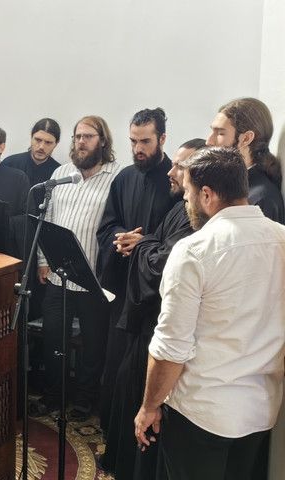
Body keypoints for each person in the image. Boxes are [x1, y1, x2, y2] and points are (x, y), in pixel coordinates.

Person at [134, 147, 285, 480]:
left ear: (207, 194)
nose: (186, 201)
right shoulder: (281, 238)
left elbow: (171, 349)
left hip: (202, 413)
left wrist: (149, 406)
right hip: (260, 410)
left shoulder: (194, 251)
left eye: (188, 193)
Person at [101, 138, 205, 479]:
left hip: (158, 322)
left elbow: (164, 263)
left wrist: (143, 243)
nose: (171, 173)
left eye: (180, 167)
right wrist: (137, 241)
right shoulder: (180, 205)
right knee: (122, 386)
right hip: (143, 319)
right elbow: (157, 246)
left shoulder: (196, 217)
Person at [96, 107, 178, 433]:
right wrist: (120, 239)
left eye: (145, 141)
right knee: (115, 364)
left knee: (142, 370)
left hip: (154, 297)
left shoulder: (176, 180)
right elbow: (106, 226)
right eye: (133, 141)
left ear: (162, 138)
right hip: (123, 288)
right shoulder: (124, 178)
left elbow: (180, 236)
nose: (138, 148)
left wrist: (144, 243)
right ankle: (113, 433)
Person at [35, 115, 119, 418]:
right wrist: (42, 261)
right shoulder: (61, 174)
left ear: (102, 141)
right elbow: (47, 219)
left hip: (94, 279)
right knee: (52, 340)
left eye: (88, 137)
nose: (81, 142)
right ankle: (53, 397)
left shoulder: (117, 176)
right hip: (59, 276)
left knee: (93, 346)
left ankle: (84, 401)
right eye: (77, 136)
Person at [207, 97, 284, 223]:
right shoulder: (232, 185)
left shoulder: (262, 199)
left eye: (220, 133)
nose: (209, 141)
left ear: (246, 138)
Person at [3, 118, 61, 210]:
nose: (41, 147)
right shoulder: (9, 163)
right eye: (38, 140)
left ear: (56, 144)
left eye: (48, 142)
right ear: (31, 138)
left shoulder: (59, 173)